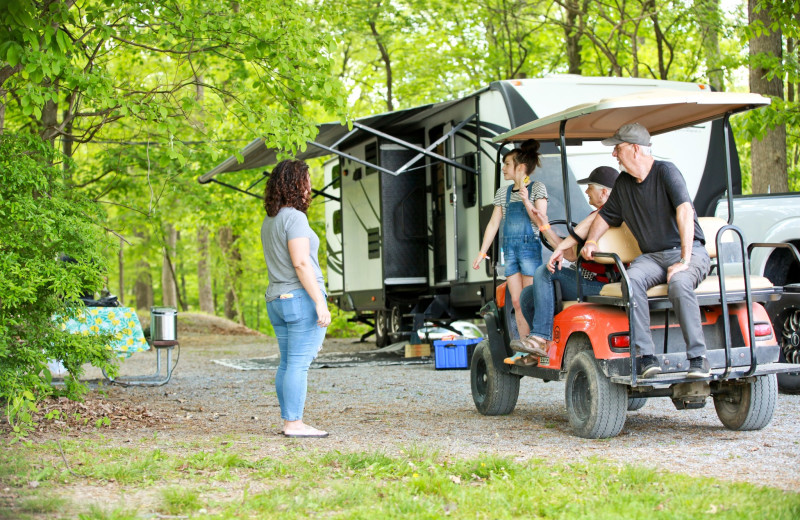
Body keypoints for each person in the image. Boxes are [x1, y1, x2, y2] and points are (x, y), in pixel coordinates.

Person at [580, 123, 712, 379]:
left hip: (688, 251)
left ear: (635, 149)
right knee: (631, 280)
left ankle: (698, 358)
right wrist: (592, 241)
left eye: (617, 148)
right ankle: (646, 358)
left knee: (679, 282)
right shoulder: (624, 185)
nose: (614, 155)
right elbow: (605, 216)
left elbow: (684, 211)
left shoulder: (666, 171)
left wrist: (684, 260)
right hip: (653, 257)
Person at [507, 166, 620, 366]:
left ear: (604, 192)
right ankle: (541, 352)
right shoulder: (597, 215)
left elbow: (568, 252)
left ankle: (541, 339)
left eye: (590, 187)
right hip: (585, 277)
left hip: (600, 283)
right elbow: (568, 252)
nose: (586, 192)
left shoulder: (607, 216)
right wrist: (545, 226)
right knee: (527, 296)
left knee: (545, 272)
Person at [261, 159, 332, 438]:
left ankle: (289, 419)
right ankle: (294, 424)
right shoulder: (295, 218)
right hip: (299, 299)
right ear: (295, 184)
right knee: (298, 364)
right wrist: (320, 302)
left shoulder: (271, 219)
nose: (310, 188)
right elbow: (301, 263)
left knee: (288, 363)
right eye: (306, 182)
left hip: (276, 299)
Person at [472, 139, 548, 341]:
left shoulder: (537, 188)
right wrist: (482, 252)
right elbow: (493, 224)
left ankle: (537, 342)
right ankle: (525, 345)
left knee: (529, 300)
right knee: (515, 301)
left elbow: (541, 221)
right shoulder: (502, 193)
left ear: (520, 167)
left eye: (507, 164)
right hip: (510, 252)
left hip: (529, 249)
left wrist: (526, 200)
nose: (503, 168)